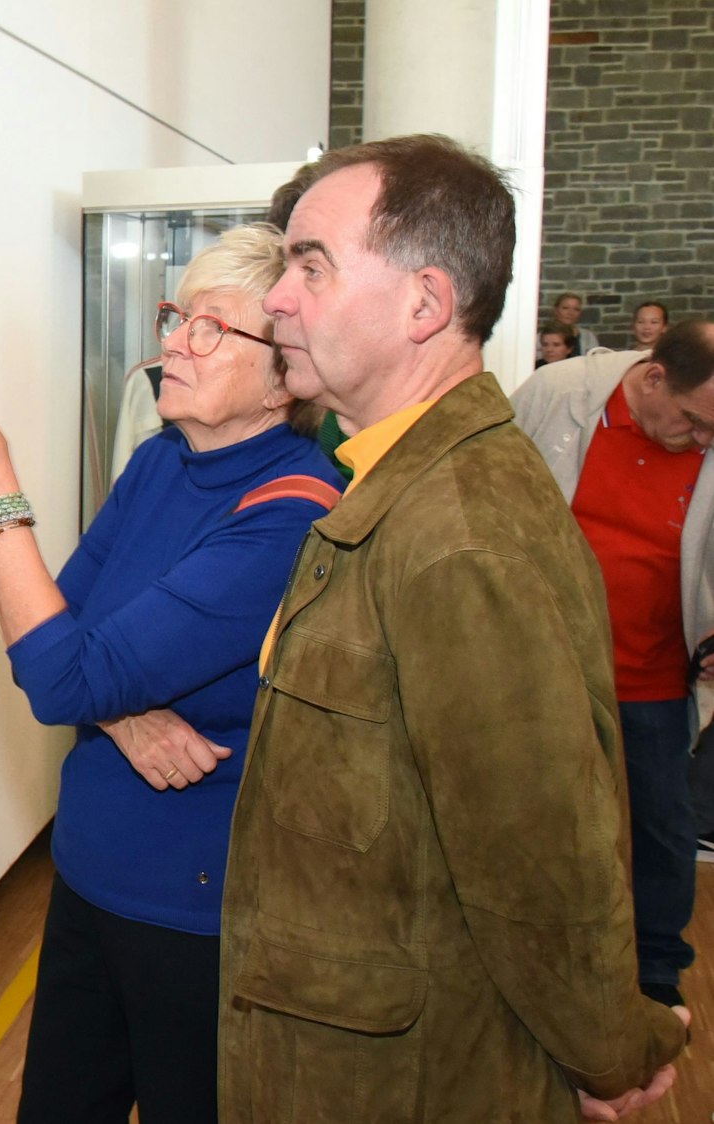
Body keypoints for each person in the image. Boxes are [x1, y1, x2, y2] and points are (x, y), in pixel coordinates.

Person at [224, 134, 686, 1122]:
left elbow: (544, 864)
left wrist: (614, 1055)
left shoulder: (462, 531)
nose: (278, 299)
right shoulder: (400, 481)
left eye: (311, 266)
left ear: (426, 303)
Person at [0, 220, 341, 1124]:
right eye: (178, 315)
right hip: (89, 871)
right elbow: (57, 639)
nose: (174, 341)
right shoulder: (157, 464)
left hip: (195, 914)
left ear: (283, 372)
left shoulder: (295, 513)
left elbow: (63, 670)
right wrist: (124, 710)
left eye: (211, 327)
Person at [512, 318, 714, 1009]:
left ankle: (655, 975)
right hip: (544, 674)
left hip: (653, 679)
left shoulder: (709, 427)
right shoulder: (555, 396)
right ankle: (530, 969)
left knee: (662, 830)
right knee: (537, 822)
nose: (703, 439)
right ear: (655, 377)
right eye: (693, 421)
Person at [547, 290, 601, 358]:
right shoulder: (541, 337)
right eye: (565, 308)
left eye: (576, 309)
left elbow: (596, 360)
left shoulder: (588, 336)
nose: (570, 313)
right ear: (556, 310)